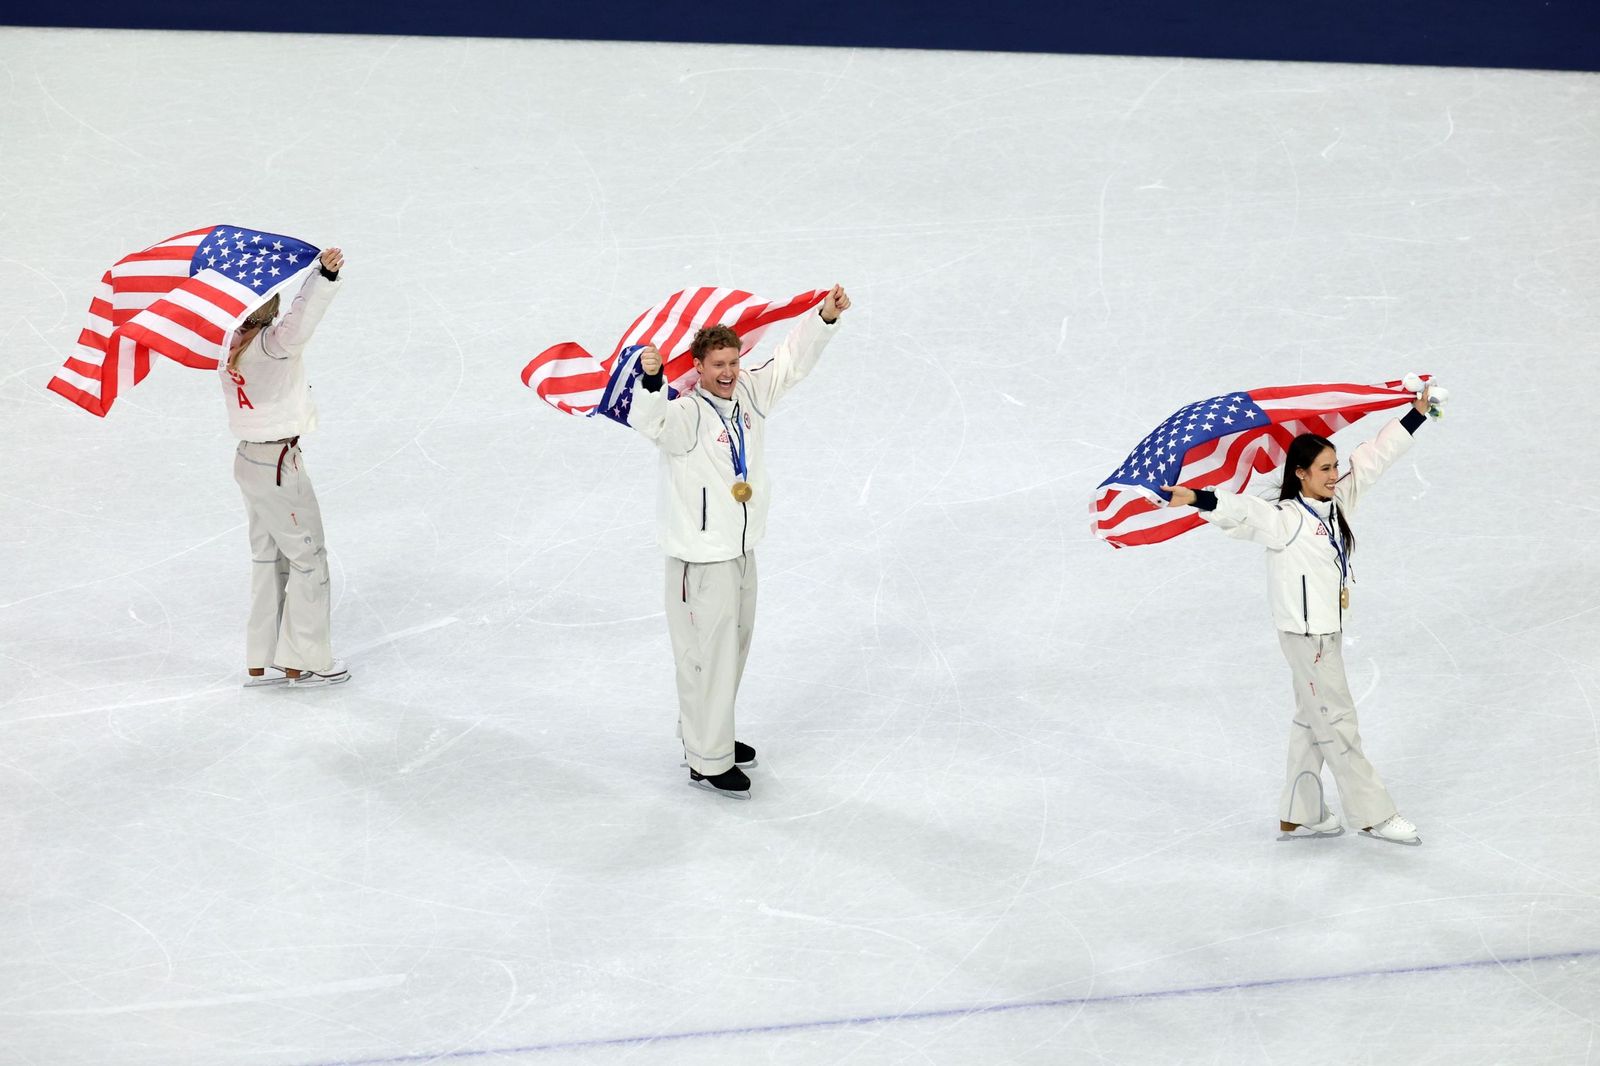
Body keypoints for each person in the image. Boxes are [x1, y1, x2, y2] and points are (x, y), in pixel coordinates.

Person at [1162, 386, 1435, 845]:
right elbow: (1242, 509)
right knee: (1339, 722)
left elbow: (1374, 458)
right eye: (1325, 469)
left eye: (1334, 466)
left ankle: (1299, 812)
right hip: (1305, 638)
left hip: (1327, 631)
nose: (1334, 474)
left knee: (1313, 720)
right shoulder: (1285, 518)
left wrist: (1416, 415)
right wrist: (1196, 498)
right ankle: (1373, 813)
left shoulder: (1338, 503)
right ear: (1301, 474)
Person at [628, 285, 852, 798]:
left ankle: (711, 737)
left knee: (734, 649)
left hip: (741, 552)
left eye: (732, 360)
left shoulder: (749, 392)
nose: (727, 372)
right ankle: (707, 759)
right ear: (699, 368)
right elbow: (652, 421)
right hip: (701, 561)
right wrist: (651, 378)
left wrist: (824, 317)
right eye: (716, 364)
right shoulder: (685, 413)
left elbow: (791, 362)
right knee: (707, 656)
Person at [221, 247, 350, 689]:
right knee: (308, 558)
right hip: (278, 464)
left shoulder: (228, 345)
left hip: (248, 461)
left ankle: (262, 655)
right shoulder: (273, 345)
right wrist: (324, 276)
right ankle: (309, 656)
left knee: (267, 556)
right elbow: (304, 315)